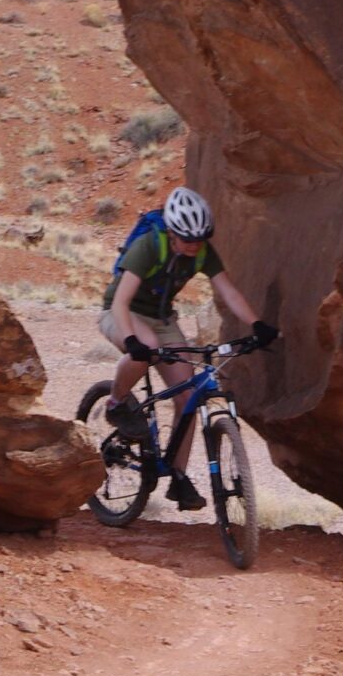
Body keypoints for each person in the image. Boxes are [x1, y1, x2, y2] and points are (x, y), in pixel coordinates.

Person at [100, 185, 277, 510]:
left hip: (162, 318)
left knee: (187, 394)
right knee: (147, 348)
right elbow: (121, 301)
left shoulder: (203, 251)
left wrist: (257, 324)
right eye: (188, 240)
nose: (195, 246)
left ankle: (179, 477)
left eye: (200, 239)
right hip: (122, 313)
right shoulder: (149, 246)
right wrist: (130, 341)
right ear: (172, 231)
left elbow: (229, 292)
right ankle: (116, 401)